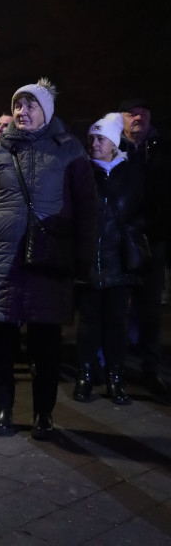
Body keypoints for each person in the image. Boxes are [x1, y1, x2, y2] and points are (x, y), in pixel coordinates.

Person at [0, 78, 96, 439]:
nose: (22, 112)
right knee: (2, 343)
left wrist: (85, 258)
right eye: (18, 106)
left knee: (46, 344)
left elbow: (87, 208)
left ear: (46, 111)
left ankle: (43, 413)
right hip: (4, 261)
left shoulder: (69, 150)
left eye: (30, 106)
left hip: (49, 262)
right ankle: (3, 409)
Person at [74, 113, 147, 405]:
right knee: (88, 323)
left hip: (120, 260)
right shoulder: (81, 172)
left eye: (100, 138)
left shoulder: (130, 174)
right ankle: (85, 375)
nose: (93, 143)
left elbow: (142, 212)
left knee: (117, 323)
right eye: (91, 138)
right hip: (89, 260)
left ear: (114, 144)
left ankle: (116, 377)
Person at [118, 98, 171, 404]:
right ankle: (113, 365)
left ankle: (150, 367)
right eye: (132, 113)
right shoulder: (110, 146)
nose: (138, 118)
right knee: (115, 304)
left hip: (153, 237)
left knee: (150, 308)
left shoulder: (163, 150)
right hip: (119, 237)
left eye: (143, 113)